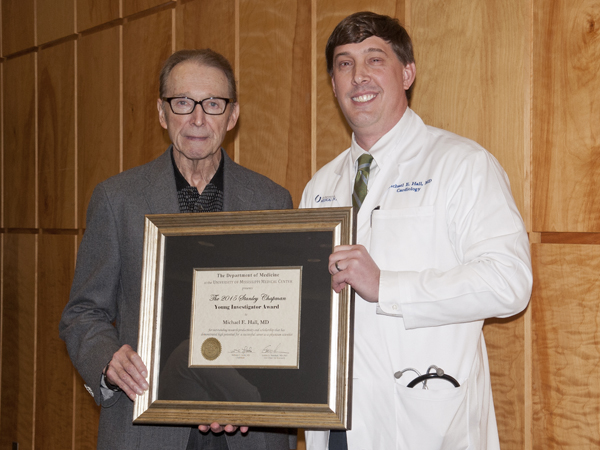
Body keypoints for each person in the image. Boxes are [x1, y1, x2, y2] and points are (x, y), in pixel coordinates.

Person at [300, 12, 533, 450]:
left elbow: (510, 283)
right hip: (336, 424)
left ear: (407, 73)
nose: (358, 77)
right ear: (333, 84)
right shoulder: (320, 186)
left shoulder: (462, 164)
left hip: (426, 422)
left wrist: (386, 286)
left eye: (375, 59)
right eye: (344, 64)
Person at [60, 49, 295, 450]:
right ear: (161, 112)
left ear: (233, 115)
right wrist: (108, 359)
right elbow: (82, 313)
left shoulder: (272, 200)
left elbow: (285, 323)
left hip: (247, 429)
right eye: (183, 103)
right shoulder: (118, 199)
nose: (198, 119)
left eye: (213, 104)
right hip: (147, 428)